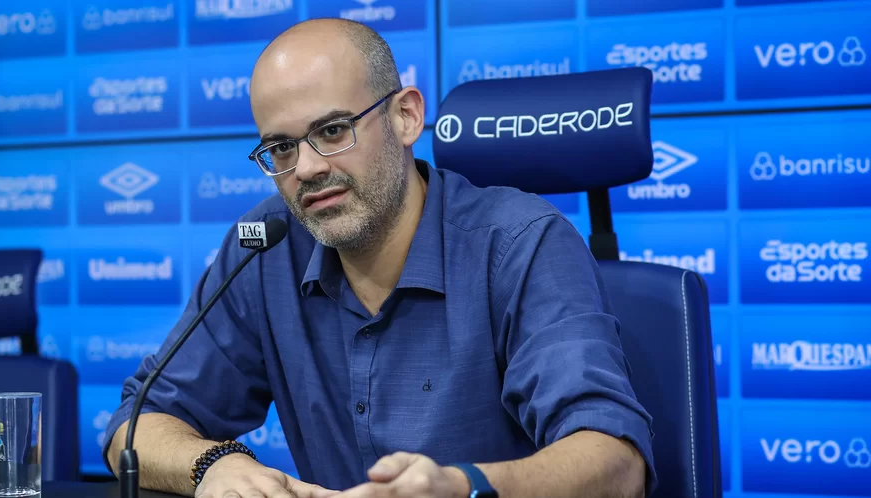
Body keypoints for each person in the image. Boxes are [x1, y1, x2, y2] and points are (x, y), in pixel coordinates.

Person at [103, 18, 656, 498]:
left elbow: (616, 461)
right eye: (282, 147)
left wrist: (462, 487)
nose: (307, 168)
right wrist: (213, 464)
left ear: (406, 117)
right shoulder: (266, 245)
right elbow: (136, 422)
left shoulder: (521, 242)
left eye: (332, 130)